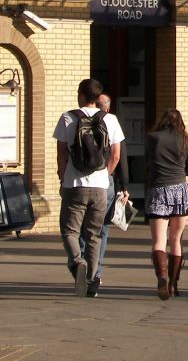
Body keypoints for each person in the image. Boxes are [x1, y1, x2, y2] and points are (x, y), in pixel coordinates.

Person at [54, 79, 125, 297]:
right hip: (101, 186)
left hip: (74, 185)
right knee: (94, 235)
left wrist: (61, 177)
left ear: (81, 95)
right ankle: (92, 280)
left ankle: (77, 262)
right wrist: (105, 175)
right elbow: (115, 156)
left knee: (70, 231)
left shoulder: (68, 117)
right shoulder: (110, 119)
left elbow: (62, 153)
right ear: (98, 97)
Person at [78, 92, 130, 297]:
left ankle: (82, 267)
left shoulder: (79, 121)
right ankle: (95, 274)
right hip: (106, 183)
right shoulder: (111, 122)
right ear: (106, 108)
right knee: (102, 231)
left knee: (83, 229)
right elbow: (119, 156)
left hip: (82, 182)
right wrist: (123, 184)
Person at [145, 108, 188, 300]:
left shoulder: (152, 138)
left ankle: (162, 276)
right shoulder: (185, 140)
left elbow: (149, 163)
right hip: (180, 191)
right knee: (176, 239)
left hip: (158, 190)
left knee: (158, 240)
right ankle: (174, 285)